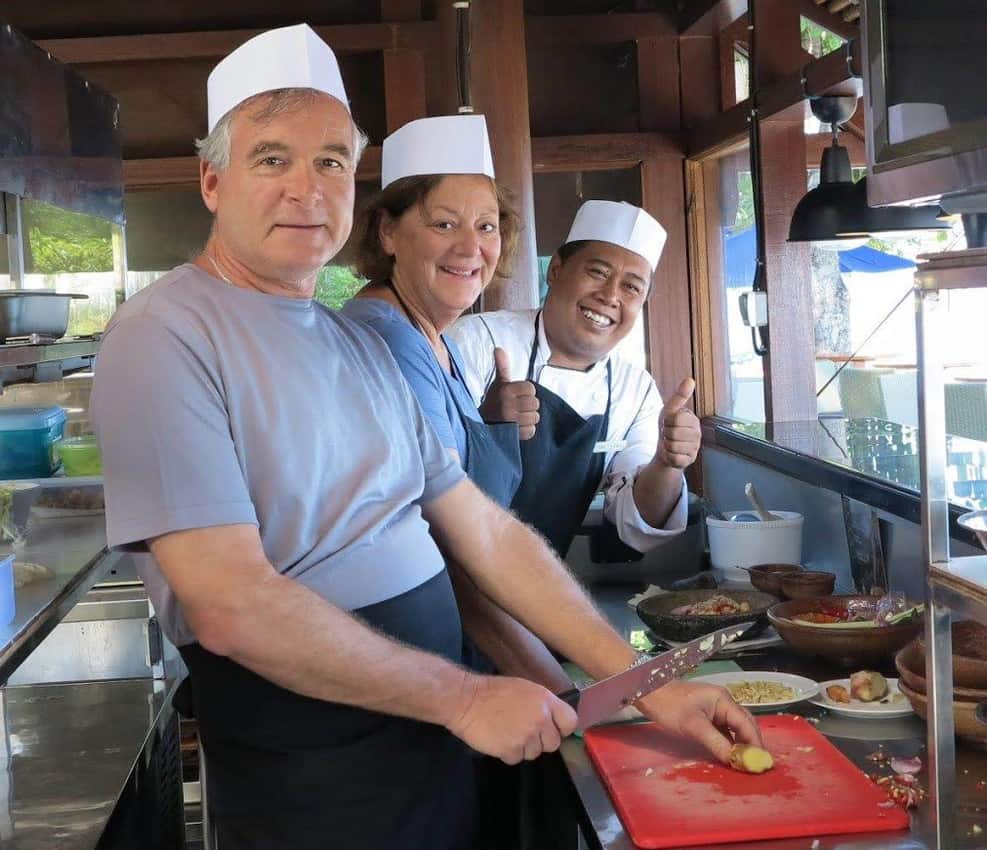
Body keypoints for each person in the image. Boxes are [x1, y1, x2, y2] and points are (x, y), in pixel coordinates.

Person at [91, 25, 760, 850]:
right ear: (212, 180)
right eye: (272, 158)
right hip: (313, 767)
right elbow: (228, 605)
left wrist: (637, 681)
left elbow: (481, 532)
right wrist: (466, 697)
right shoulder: (165, 334)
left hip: (427, 740)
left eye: (332, 161)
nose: (307, 188)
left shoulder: (349, 342)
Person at [447, 200, 702, 558]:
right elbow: (420, 470)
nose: (610, 296)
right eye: (597, 272)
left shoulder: (635, 390)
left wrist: (668, 463)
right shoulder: (477, 342)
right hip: (445, 569)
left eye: (632, 287)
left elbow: (636, 523)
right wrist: (483, 425)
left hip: (537, 584)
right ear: (555, 270)